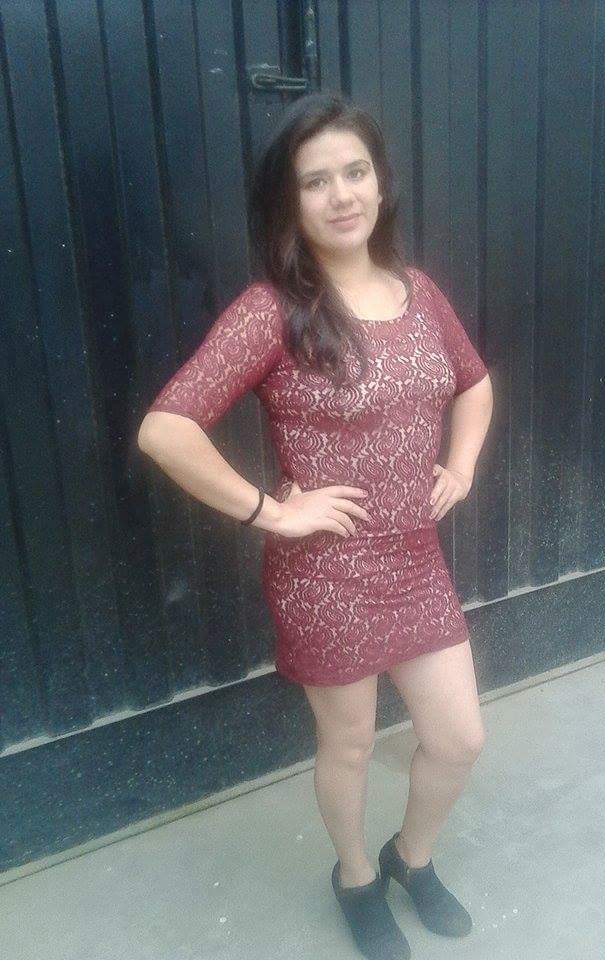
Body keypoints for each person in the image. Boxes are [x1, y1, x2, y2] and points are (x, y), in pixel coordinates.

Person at [137, 92, 493, 960]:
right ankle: (355, 877)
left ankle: (411, 857)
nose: (342, 195)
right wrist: (273, 511)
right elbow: (166, 429)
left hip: (414, 561)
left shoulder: (420, 293)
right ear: (289, 201)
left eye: (355, 172)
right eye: (316, 181)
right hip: (325, 575)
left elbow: (475, 382)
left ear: (381, 182)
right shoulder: (273, 310)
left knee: (458, 738)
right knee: (351, 741)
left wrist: (460, 467)